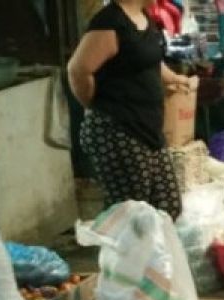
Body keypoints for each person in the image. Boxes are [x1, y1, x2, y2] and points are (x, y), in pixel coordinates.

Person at [68, 0, 189, 219]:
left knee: (168, 206)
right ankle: (128, 253)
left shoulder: (144, 17)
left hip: (148, 128)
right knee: (131, 215)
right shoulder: (111, 22)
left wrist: (175, 78)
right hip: (117, 130)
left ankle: (154, 253)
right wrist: (96, 106)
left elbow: (148, 58)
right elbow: (78, 70)